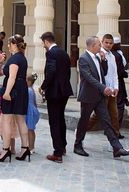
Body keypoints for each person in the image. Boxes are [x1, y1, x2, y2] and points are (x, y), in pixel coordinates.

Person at [73, 36, 129, 158]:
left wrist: (104, 60)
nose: (101, 47)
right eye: (98, 45)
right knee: (84, 121)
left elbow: (103, 73)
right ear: (91, 46)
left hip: (100, 96)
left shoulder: (98, 57)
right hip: (88, 96)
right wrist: (103, 88)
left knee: (107, 121)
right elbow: (89, 78)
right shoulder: (83, 59)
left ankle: (117, 148)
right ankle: (77, 145)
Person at [0, 34, 31, 163]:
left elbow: (12, 77)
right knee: (21, 120)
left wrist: (7, 93)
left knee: (7, 119)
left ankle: (6, 150)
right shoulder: (22, 58)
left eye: (10, 44)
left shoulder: (15, 59)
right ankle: (25, 148)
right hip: (21, 89)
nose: (8, 46)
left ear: (14, 44)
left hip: (13, 90)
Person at [39, 31, 73, 163]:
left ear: (47, 41)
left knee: (54, 121)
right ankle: (62, 146)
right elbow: (67, 72)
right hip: (64, 91)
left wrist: (43, 86)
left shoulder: (51, 53)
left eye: (43, 43)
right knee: (60, 119)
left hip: (54, 92)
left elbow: (51, 71)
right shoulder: (64, 52)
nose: (43, 46)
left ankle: (57, 153)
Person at [87, 34, 120, 136]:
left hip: (111, 89)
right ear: (102, 42)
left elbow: (114, 74)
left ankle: (115, 133)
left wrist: (116, 87)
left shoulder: (113, 56)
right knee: (97, 115)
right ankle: (82, 128)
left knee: (114, 113)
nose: (109, 45)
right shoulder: (98, 55)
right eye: (106, 42)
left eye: (111, 43)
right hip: (102, 89)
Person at [111, 37, 129, 134]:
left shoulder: (111, 54)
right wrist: (125, 74)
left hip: (110, 83)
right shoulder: (117, 55)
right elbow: (120, 71)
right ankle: (116, 130)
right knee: (120, 106)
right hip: (118, 83)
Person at [25, 74, 40, 154]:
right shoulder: (32, 90)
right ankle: (31, 146)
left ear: (29, 81)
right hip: (33, 110)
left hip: (29, 111)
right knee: (30, 130)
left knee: (30, 129)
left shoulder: (28, 90)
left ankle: (31, 147)